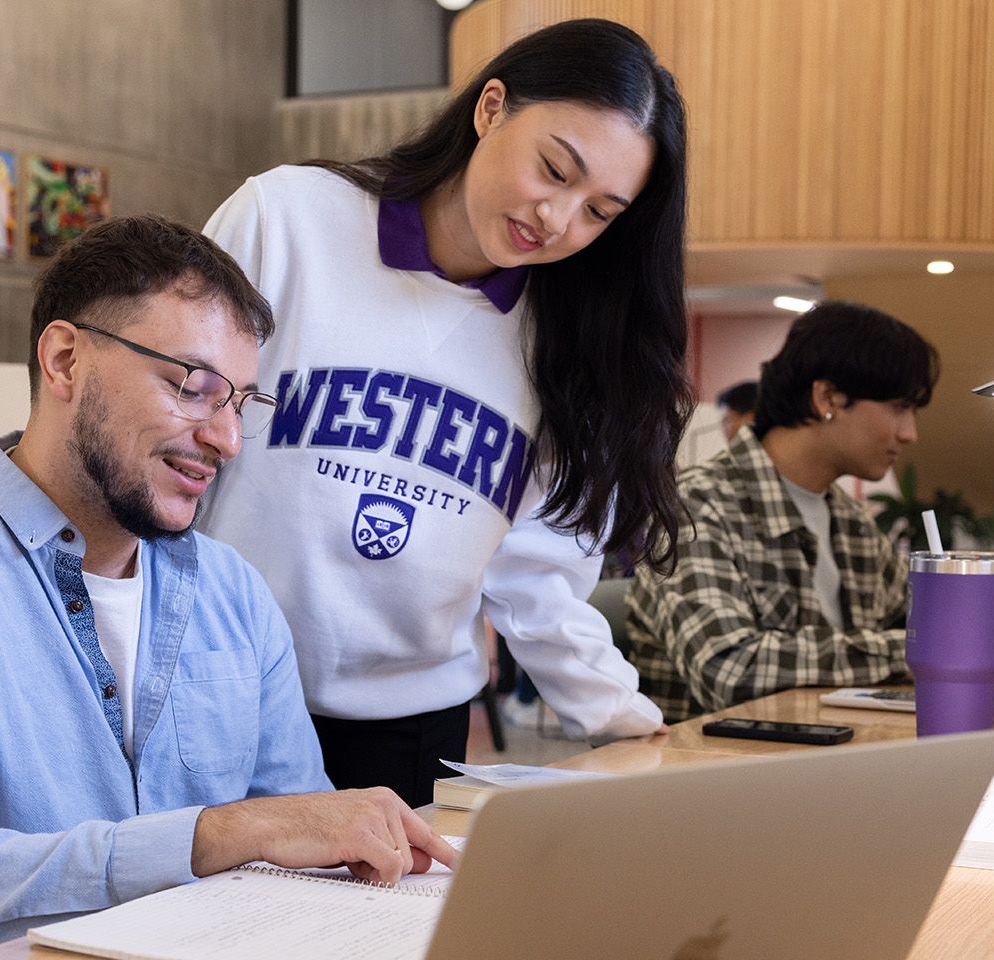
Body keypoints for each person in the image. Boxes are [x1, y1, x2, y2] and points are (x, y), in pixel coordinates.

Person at [0, 216, 457, 960]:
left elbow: (303, 843)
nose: (227, 439)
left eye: (240, 402)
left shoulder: (232, 593)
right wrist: (226, 831)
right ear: (66, 362)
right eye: (194, 387)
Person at [200, 18, 687, 804]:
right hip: (221, 697)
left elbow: (537, 576)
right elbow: (173, 439)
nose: (559, 221)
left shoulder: (568, 347)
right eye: (555, 170)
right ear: (491, 107)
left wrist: (626, 719)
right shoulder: (287, 221)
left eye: (600, 212)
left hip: (408, 731)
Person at [627, 302, 947, 721]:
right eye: (900, 407)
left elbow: (910, 620)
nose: (909, 434)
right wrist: (918, 648)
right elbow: (727, 669)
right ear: (827, 397)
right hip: (717, 772)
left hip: (833, 761)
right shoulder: (697, 508)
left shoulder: (851, 523)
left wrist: (962, 625)